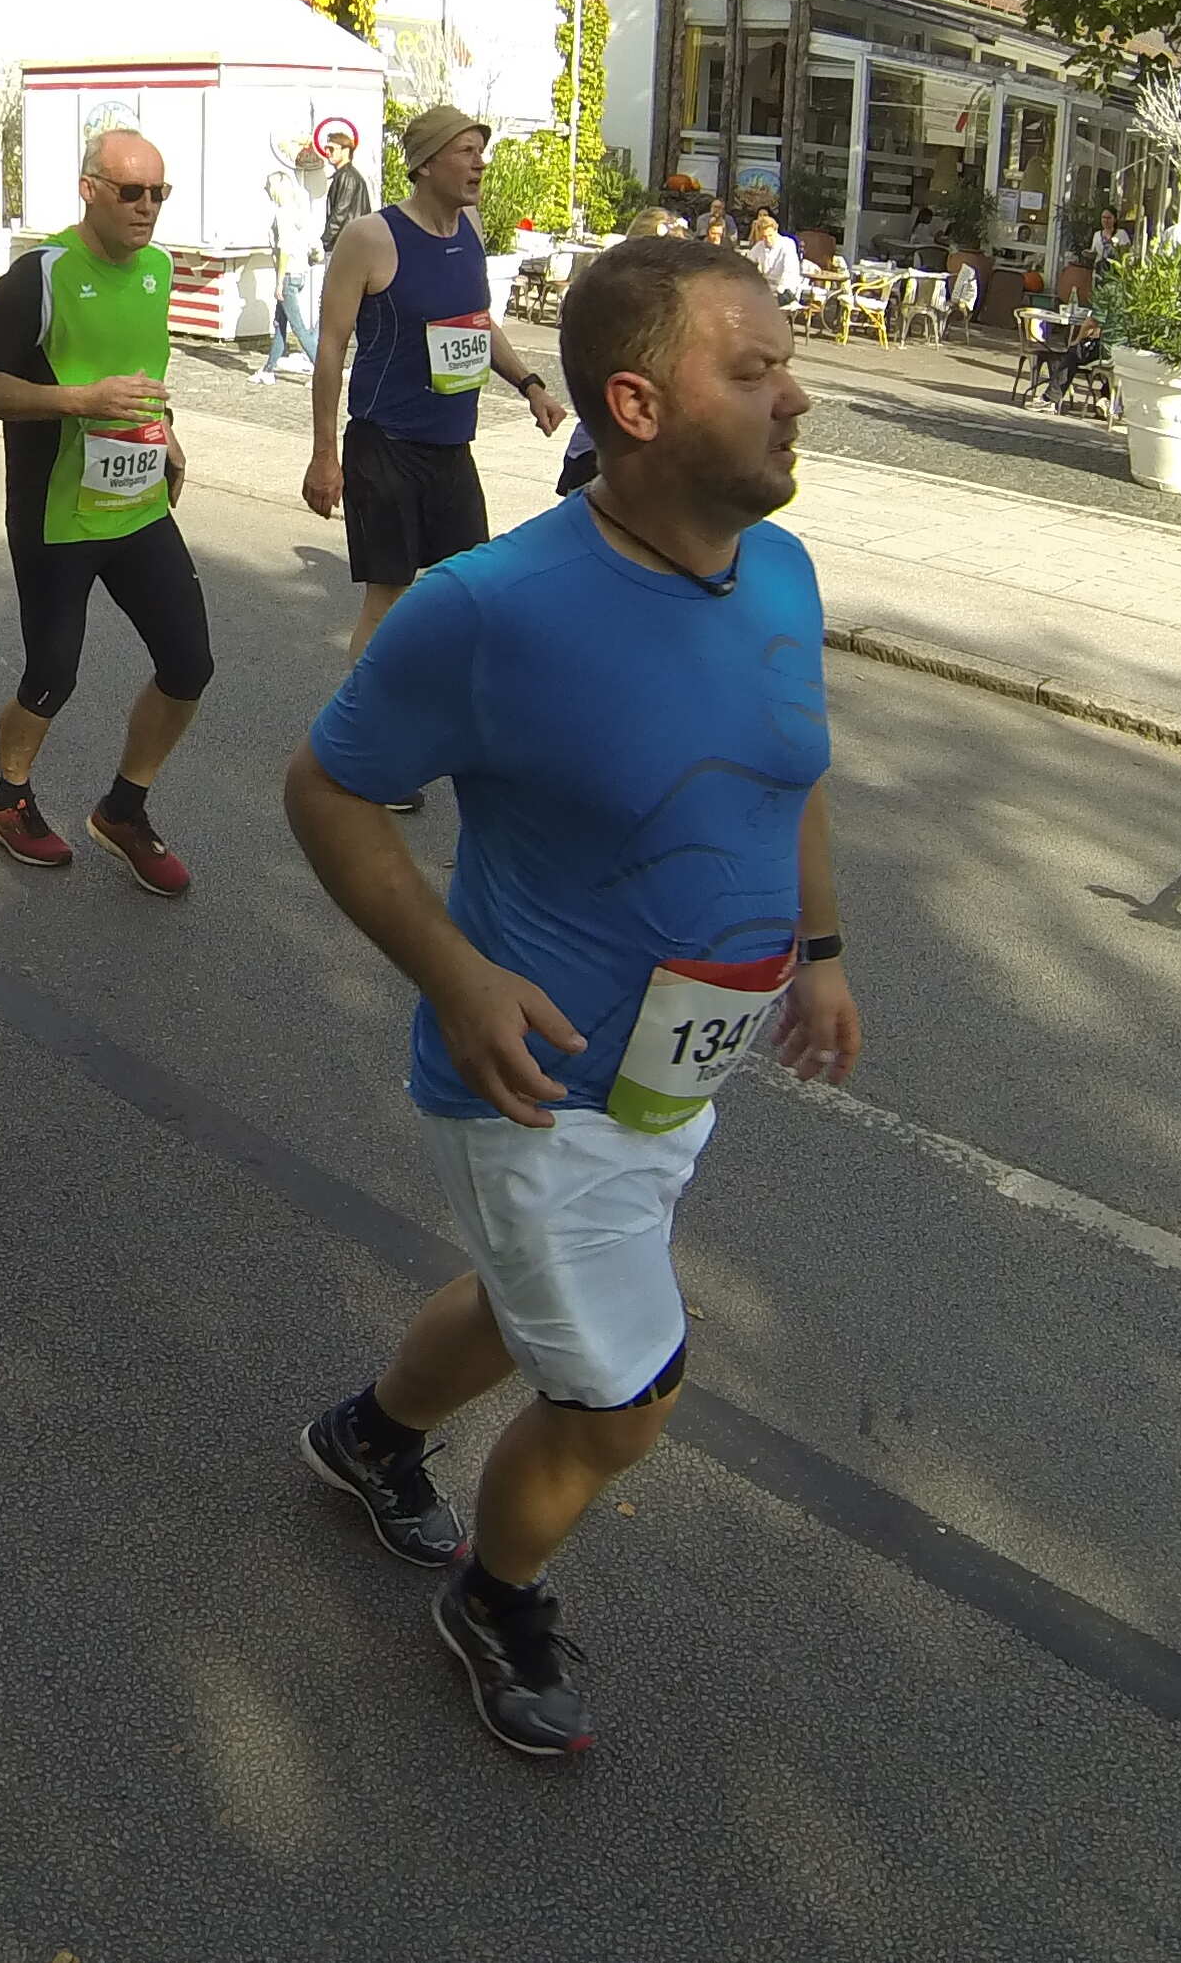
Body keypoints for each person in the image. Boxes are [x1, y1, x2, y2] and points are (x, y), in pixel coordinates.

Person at [283, 236, 861, 1756]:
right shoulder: (491, 608)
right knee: (620, 1399)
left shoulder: (782, 568)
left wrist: (819, 952)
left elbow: (792, 769)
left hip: (677, 1076)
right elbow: (326, 789)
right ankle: (495, 1597)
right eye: (757, 369)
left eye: (789, 365)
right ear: (639, 404)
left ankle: (371, 1437)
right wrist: (456, 975)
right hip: (535, 1090)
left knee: (526, 1299)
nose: (797, 396)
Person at [0, 128, 212, 897]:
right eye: (130, 191)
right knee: (51, 675)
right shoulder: (39, 275)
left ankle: (122, 812)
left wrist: (166, 431)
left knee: (189, 664)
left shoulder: (158, 270)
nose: (146, 206)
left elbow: (141, 375)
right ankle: (9, 800)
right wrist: (78, 401)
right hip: (56, 515)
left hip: (136, 505)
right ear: (89, 189)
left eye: (158, 192)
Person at [305, 105, 566, 804]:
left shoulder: (471, 231)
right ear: (425, 164)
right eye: (466, 151)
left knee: (467, 596)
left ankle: (442, 735)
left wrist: (531, 386)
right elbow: (330, 347)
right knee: (387, 601)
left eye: (482, 150)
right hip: (384, 442)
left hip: (452, 447)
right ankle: (363, 751)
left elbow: (478, 324)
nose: (480, 163)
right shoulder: (372, 237)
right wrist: (324, 454)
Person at [252, 163, 321, 386]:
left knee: (298, 327)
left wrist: (279, 282)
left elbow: (284, 249)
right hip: (299, 273)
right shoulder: (298, 211)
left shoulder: (282, 214)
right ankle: (268, 369)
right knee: (280, 324)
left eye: (268, 186)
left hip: (288, 275)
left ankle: (322, 371)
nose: (266, 190)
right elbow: (312, 244)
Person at [317, 125, 371, 254]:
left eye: (331, 149)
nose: (327, 153)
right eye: (326, 149)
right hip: (350, 244)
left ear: (345, 151)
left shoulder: (347, 176)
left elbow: (339, 214)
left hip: (347, 245)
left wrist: (324, 242)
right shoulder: (346, 175)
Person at [744, 211, 806, 303]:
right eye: (764, 237)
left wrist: (778, 292)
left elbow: (789, 273)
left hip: (786, 290)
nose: (768, 239)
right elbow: (746, 264)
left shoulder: (787, 244)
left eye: (770, 235)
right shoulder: (759, 246)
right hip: (766, 290)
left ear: (776, 230)